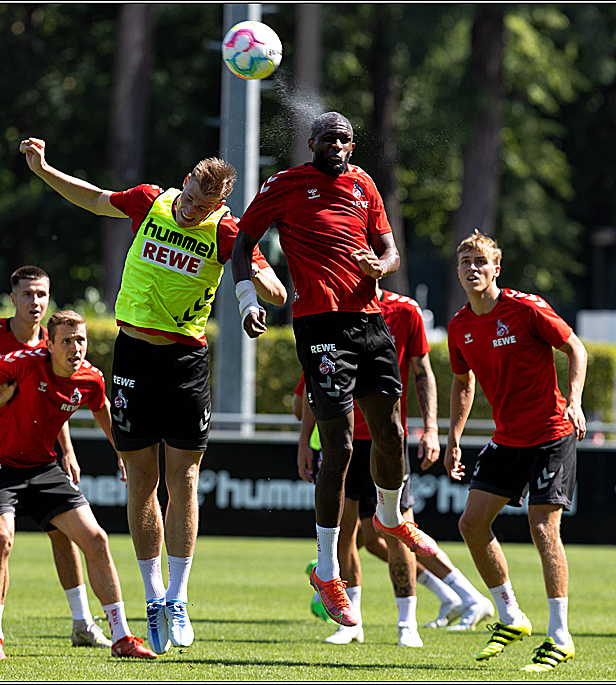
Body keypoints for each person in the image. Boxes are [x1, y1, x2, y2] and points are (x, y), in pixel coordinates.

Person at [19, 137, 286, 655]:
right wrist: (45, 169)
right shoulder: (151, 200)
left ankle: (180, 596)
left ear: (220, 207)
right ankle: (154, 595)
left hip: (185, 363)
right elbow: (95, 198)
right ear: (184, 180)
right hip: (134, 357)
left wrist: (262, 290)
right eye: (189, 199)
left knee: (183, 479)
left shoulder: (227, 230)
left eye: (204, 208)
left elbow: (271, 284)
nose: (190, 212)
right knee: (140, 480)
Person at [231, 111, 440, 629]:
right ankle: (327, 572)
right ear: (312, 143)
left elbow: (389, 247)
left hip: (370, 322)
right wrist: (246, 300)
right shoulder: (285, 185)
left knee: (391, 433)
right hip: (320, 327)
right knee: (341, 446)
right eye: (329, 138)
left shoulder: (364, 183)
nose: (338, 145)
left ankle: (392, 516)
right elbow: (241, 242)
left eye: (345, 138)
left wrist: (383, 266)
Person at [294, 286, 493, 648]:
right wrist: (306, 441)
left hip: (387, 442)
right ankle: (351, 621)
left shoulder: (405, 311)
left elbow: (423, 372)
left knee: (396, 530)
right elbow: (311, 385)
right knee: (351, 534)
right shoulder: (326, 309)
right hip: (343, 443)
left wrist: (431, 429)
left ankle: (408, 623)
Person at [0, 310, 156, 660]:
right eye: (67, 341)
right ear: (49, 344)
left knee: (97, 539)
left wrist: (122, 453)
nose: (76, 348)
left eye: (81, 340)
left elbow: (102, 410)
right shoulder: (24, 361)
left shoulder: (91, 378)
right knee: (2, 538)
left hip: (43, 467)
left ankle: (121, 637)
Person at [0, 265, 110, 650]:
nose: (35, 302)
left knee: (65, 534)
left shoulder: (56, 343)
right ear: (13, 298)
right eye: (28, 295)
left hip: (36, 455)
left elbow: (53, 403)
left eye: (42, 295)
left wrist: (66, 450)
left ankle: (83, 623)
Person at [444, 230, 588, 673]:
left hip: (551, 432)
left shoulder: (525, 308)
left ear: (496, 268)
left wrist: (575, 399)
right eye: (465, 260)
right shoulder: (460, 326)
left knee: (542, 527)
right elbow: (463, 382)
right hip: (508, 439)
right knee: (471, 524)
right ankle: (510, 616)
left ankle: (560, 637)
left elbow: (574, 347)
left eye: (480, 261)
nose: (473, 268)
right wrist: (453, 437)